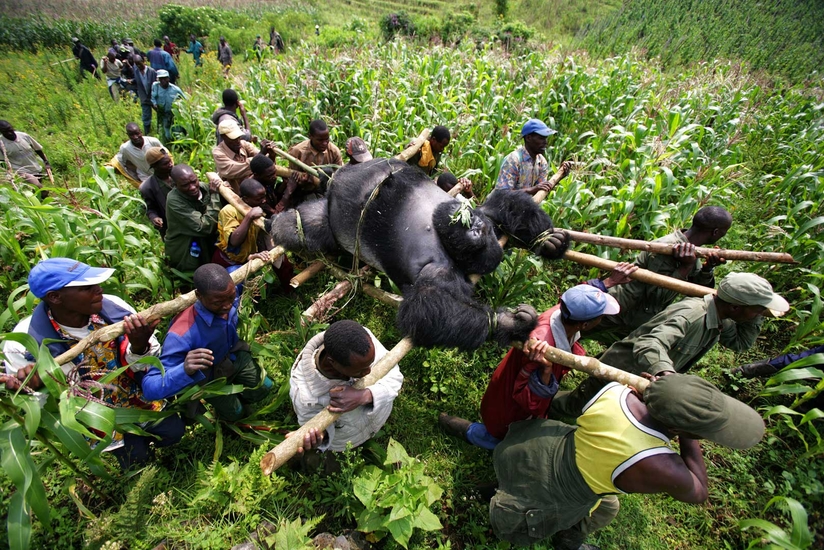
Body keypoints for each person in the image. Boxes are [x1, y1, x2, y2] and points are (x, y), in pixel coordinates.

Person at [489, 372, 765, 549]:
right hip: (555, 488)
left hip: (540, 445)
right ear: (679, 429)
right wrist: (689, 435)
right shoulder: (658, 463)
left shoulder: (617, 391)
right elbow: (699, 492)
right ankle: (566, 541)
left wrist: (667, 397)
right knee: (606, 507)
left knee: (609, 506)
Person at [0, 258, 184, 471]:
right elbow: (35, 405)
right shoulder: (23, 345)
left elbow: (150, 359)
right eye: (87, 287)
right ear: (55, 297)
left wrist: (140, 345)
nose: (100, 289)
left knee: (174, 433)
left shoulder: (113, 307)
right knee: (136, 460)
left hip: (139, 397)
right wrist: (35, 387)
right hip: (98, 416)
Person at [439, 271, 633, 449]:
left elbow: (575, 298)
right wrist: (546, 371)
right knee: (503, 435)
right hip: (510, 405)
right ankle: (467, 431)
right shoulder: (542, 348)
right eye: (601, 315)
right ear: (586, 324)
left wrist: (606, 283)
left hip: (505, 384)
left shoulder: (561, 314)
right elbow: (528, 401)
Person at [552, 272, 790, 417]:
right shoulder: (691, 315)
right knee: (576, 405)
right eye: (756, 310)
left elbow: (741, 343)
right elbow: (650, 342)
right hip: (622, 368)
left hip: (640, 378)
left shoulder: (722, 319)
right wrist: (665, 373)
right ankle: (535, 410)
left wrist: (757, 311)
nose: (759, 315)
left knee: (598, 409)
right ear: (736, 307)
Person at [141, 263, 274, 420]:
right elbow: (150, 388)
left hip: (233, 356)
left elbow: (235, 270)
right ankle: (230, 416)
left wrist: (253, 259)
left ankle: (243, 400)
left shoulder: (227, 291)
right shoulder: (181, 333)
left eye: (231, 297)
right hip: (210, 378)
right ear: (199, 296)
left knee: (265, 386)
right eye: (217, 302)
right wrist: (184, 369)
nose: (227, 305)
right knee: (235, 412)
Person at [587, 206, 733, 345]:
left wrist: (708, 268)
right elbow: (657, 293)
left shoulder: (691, 250)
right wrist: (685, 267)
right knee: (577, 333)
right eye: (724, 232)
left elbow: (695, 290)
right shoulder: (667, 248)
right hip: (619, 311)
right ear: (715, 232)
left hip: (635, 317)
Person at [289, 320, 403, 456]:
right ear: (333, 363)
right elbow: (318, 428)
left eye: (370, 365)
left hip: (378, 417)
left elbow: (394, 375)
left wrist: (365, 396)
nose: (368, 372)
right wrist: (321, 437)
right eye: (360, 370)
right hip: (348, 440)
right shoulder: (305, 395)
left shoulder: (362, 341)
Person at [164, 165, 223, 272]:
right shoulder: (174, 201)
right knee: (194, 273)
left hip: (206, 242)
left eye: (193, 181)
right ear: (175, 185)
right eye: (185, 185)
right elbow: (204, 227)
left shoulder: (204, 188)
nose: (192, 187)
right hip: (185, 246)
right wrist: (215, 197)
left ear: (196, 177)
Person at [495, 118, 557, 195]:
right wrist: (532, 190)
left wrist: (561, 175)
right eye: (541, 138)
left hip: (525, 205)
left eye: (545, 138)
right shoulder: (513, 160)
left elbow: (541, 190)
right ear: (528, 138)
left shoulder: (541, 161)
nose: (545, 142)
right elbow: (502, 194)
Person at [212, 120, 260, 195]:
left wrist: (268, 153)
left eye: (238, 137)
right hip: (235, 194)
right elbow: (231, 170)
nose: (237, 141)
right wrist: (257, 160)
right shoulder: (218, 153)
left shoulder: (243, 144)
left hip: (253, 189)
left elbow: (264, 159)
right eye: (233, 138)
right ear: (223, 137)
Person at [0, 120, 51, 189]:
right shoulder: (1, 143)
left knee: (36, 190)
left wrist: (46, 162)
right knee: (38, 187)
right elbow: (2, 161)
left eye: (10, 130)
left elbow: (37, 149)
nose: (9, 133)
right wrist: (8, 175)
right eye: (5, 132)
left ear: (12, 127)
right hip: (19, 170)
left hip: (34, 167)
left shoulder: (24, 136)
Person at [138, 146, 174, 238]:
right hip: (171, 227)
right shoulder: (148, 187)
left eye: (170, 161)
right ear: (155, 167)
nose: (170, 165)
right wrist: (154, 218)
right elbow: (150, 208)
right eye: (165, 164)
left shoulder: (179, 174)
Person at [151, 69, 186, 141]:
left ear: (168, 79)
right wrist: (154, 104)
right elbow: (152, 97)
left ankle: (179, 142)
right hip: (163, 113)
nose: (163, 81)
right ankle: (168, 141)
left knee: (177, 129)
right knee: (165, 129)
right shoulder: (156, 86)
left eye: (165, 78)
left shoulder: (175, 89)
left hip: (174, 113)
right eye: (161, 79)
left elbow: (185, 99)